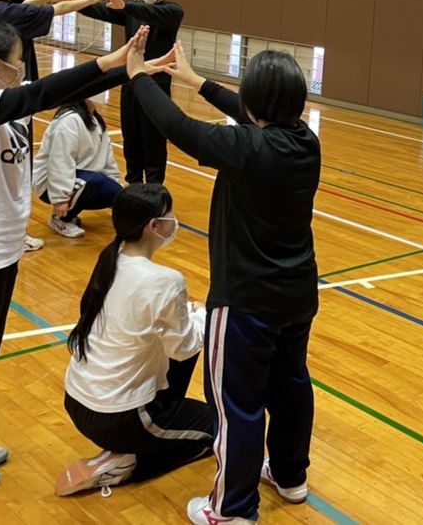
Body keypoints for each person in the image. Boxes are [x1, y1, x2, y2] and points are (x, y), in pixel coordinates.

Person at [0, 18, 162, 491]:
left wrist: (131, 70)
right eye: (17, 62)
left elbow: (63, 89)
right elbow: (44, 94)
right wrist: (108, 61)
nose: (24, 69)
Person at [124, 38, 320, 525]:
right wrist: (197, 82)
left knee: (236, 405)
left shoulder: (247, 148)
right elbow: (249, 113)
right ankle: (291, 476)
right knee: (291, 387)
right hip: (297, 296)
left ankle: (232, 509)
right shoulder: (305, 141)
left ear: (255, 103)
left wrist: (139, 77)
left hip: (246, 302)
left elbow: (177, 127)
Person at [56, 183, 215, 497]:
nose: (175, 220)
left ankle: (143, 432)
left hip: (78, 403)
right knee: (218, 429)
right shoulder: (166, 280)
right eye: (170, 214)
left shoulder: (110, 260)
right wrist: (204, 315)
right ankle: (127, 464)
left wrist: (189, 313)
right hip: (120, 419)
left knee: (182, 328)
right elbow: (184, 347)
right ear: (154, 226)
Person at [79, 0, 184, 184]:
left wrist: (125, 6)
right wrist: (76, 3)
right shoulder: (131, 10)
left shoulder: (172, 11)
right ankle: (134, 186)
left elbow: (150, 13)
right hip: (130, 81)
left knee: (154, 140)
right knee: (131, 138)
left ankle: (154, 188)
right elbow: (101, 10)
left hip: (157, 85)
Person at [32, 98, 123, 238]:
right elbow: (60, 161)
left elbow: (107, 159)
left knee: (119, 195)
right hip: (50, 184)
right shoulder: (69, 120)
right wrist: (60, 198)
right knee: (94, 180)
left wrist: (115, 188)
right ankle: (60, 219)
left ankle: (72, 209)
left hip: (82, 179)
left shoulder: (95, 120)